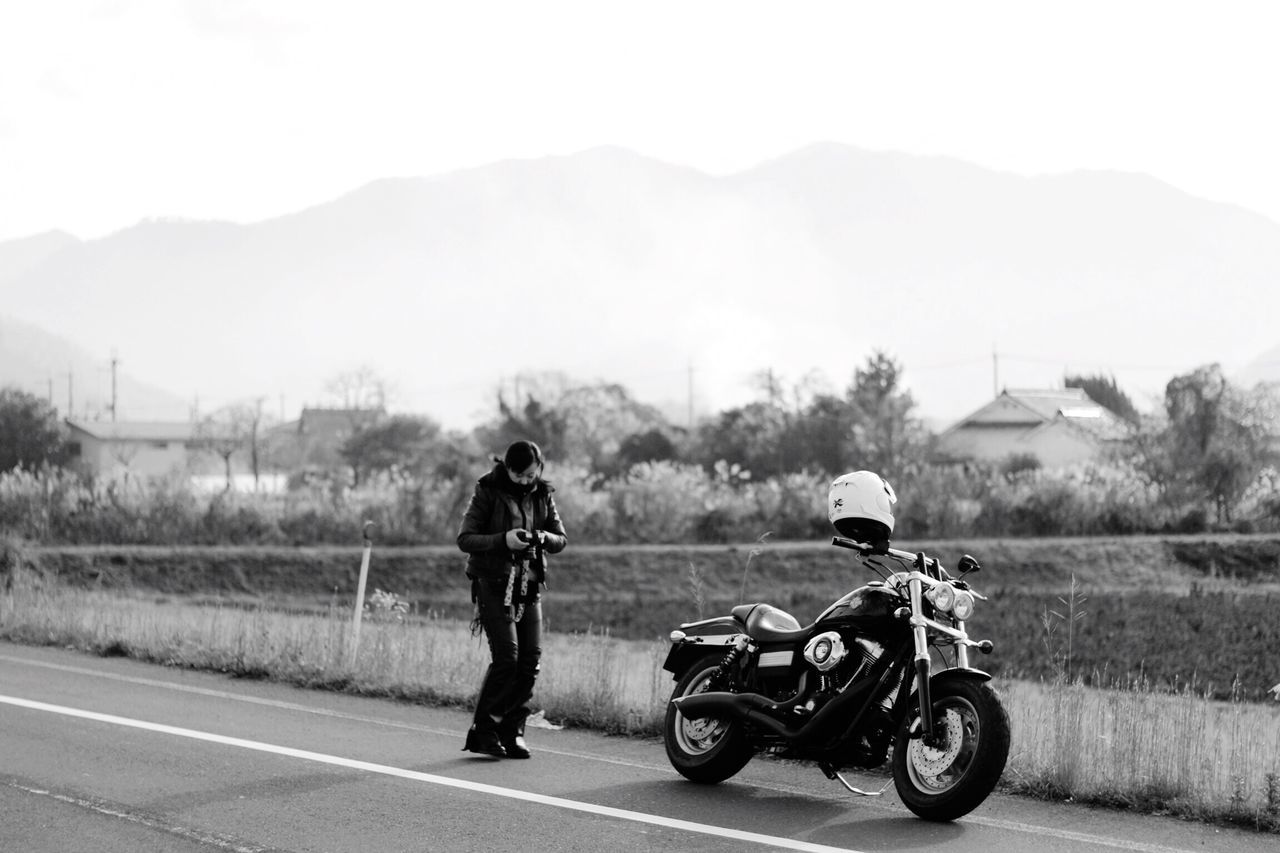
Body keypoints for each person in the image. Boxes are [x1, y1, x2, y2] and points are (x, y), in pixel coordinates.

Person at [456, 439, 567, 758]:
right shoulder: (487, 489)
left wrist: (542, 537)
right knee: (507, 657)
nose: (524, 481)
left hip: (529, 586)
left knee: (530, 661)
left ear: (539, 468)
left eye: (530, 474)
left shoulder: (544, 493)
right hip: (493, 582)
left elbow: (561, 538)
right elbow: (465, 539)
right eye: (518, 476)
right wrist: (503, 540)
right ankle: (484, 731)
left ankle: (513, 731)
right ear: (506, 468)